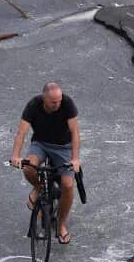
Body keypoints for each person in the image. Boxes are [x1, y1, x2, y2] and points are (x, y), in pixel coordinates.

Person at [9, 82, 80, 244]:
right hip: (40, 144)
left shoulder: (67, 104)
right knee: (28, 168)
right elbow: (21, 133)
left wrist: (75, 159)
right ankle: (40, 188)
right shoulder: (33, 105)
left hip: (64, 147)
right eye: (53, 102)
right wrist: (15, 156)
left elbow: (75, 133)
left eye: (59, 101)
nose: (58, 104)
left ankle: (61, 225)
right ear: (44, 99)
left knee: (68, 184)